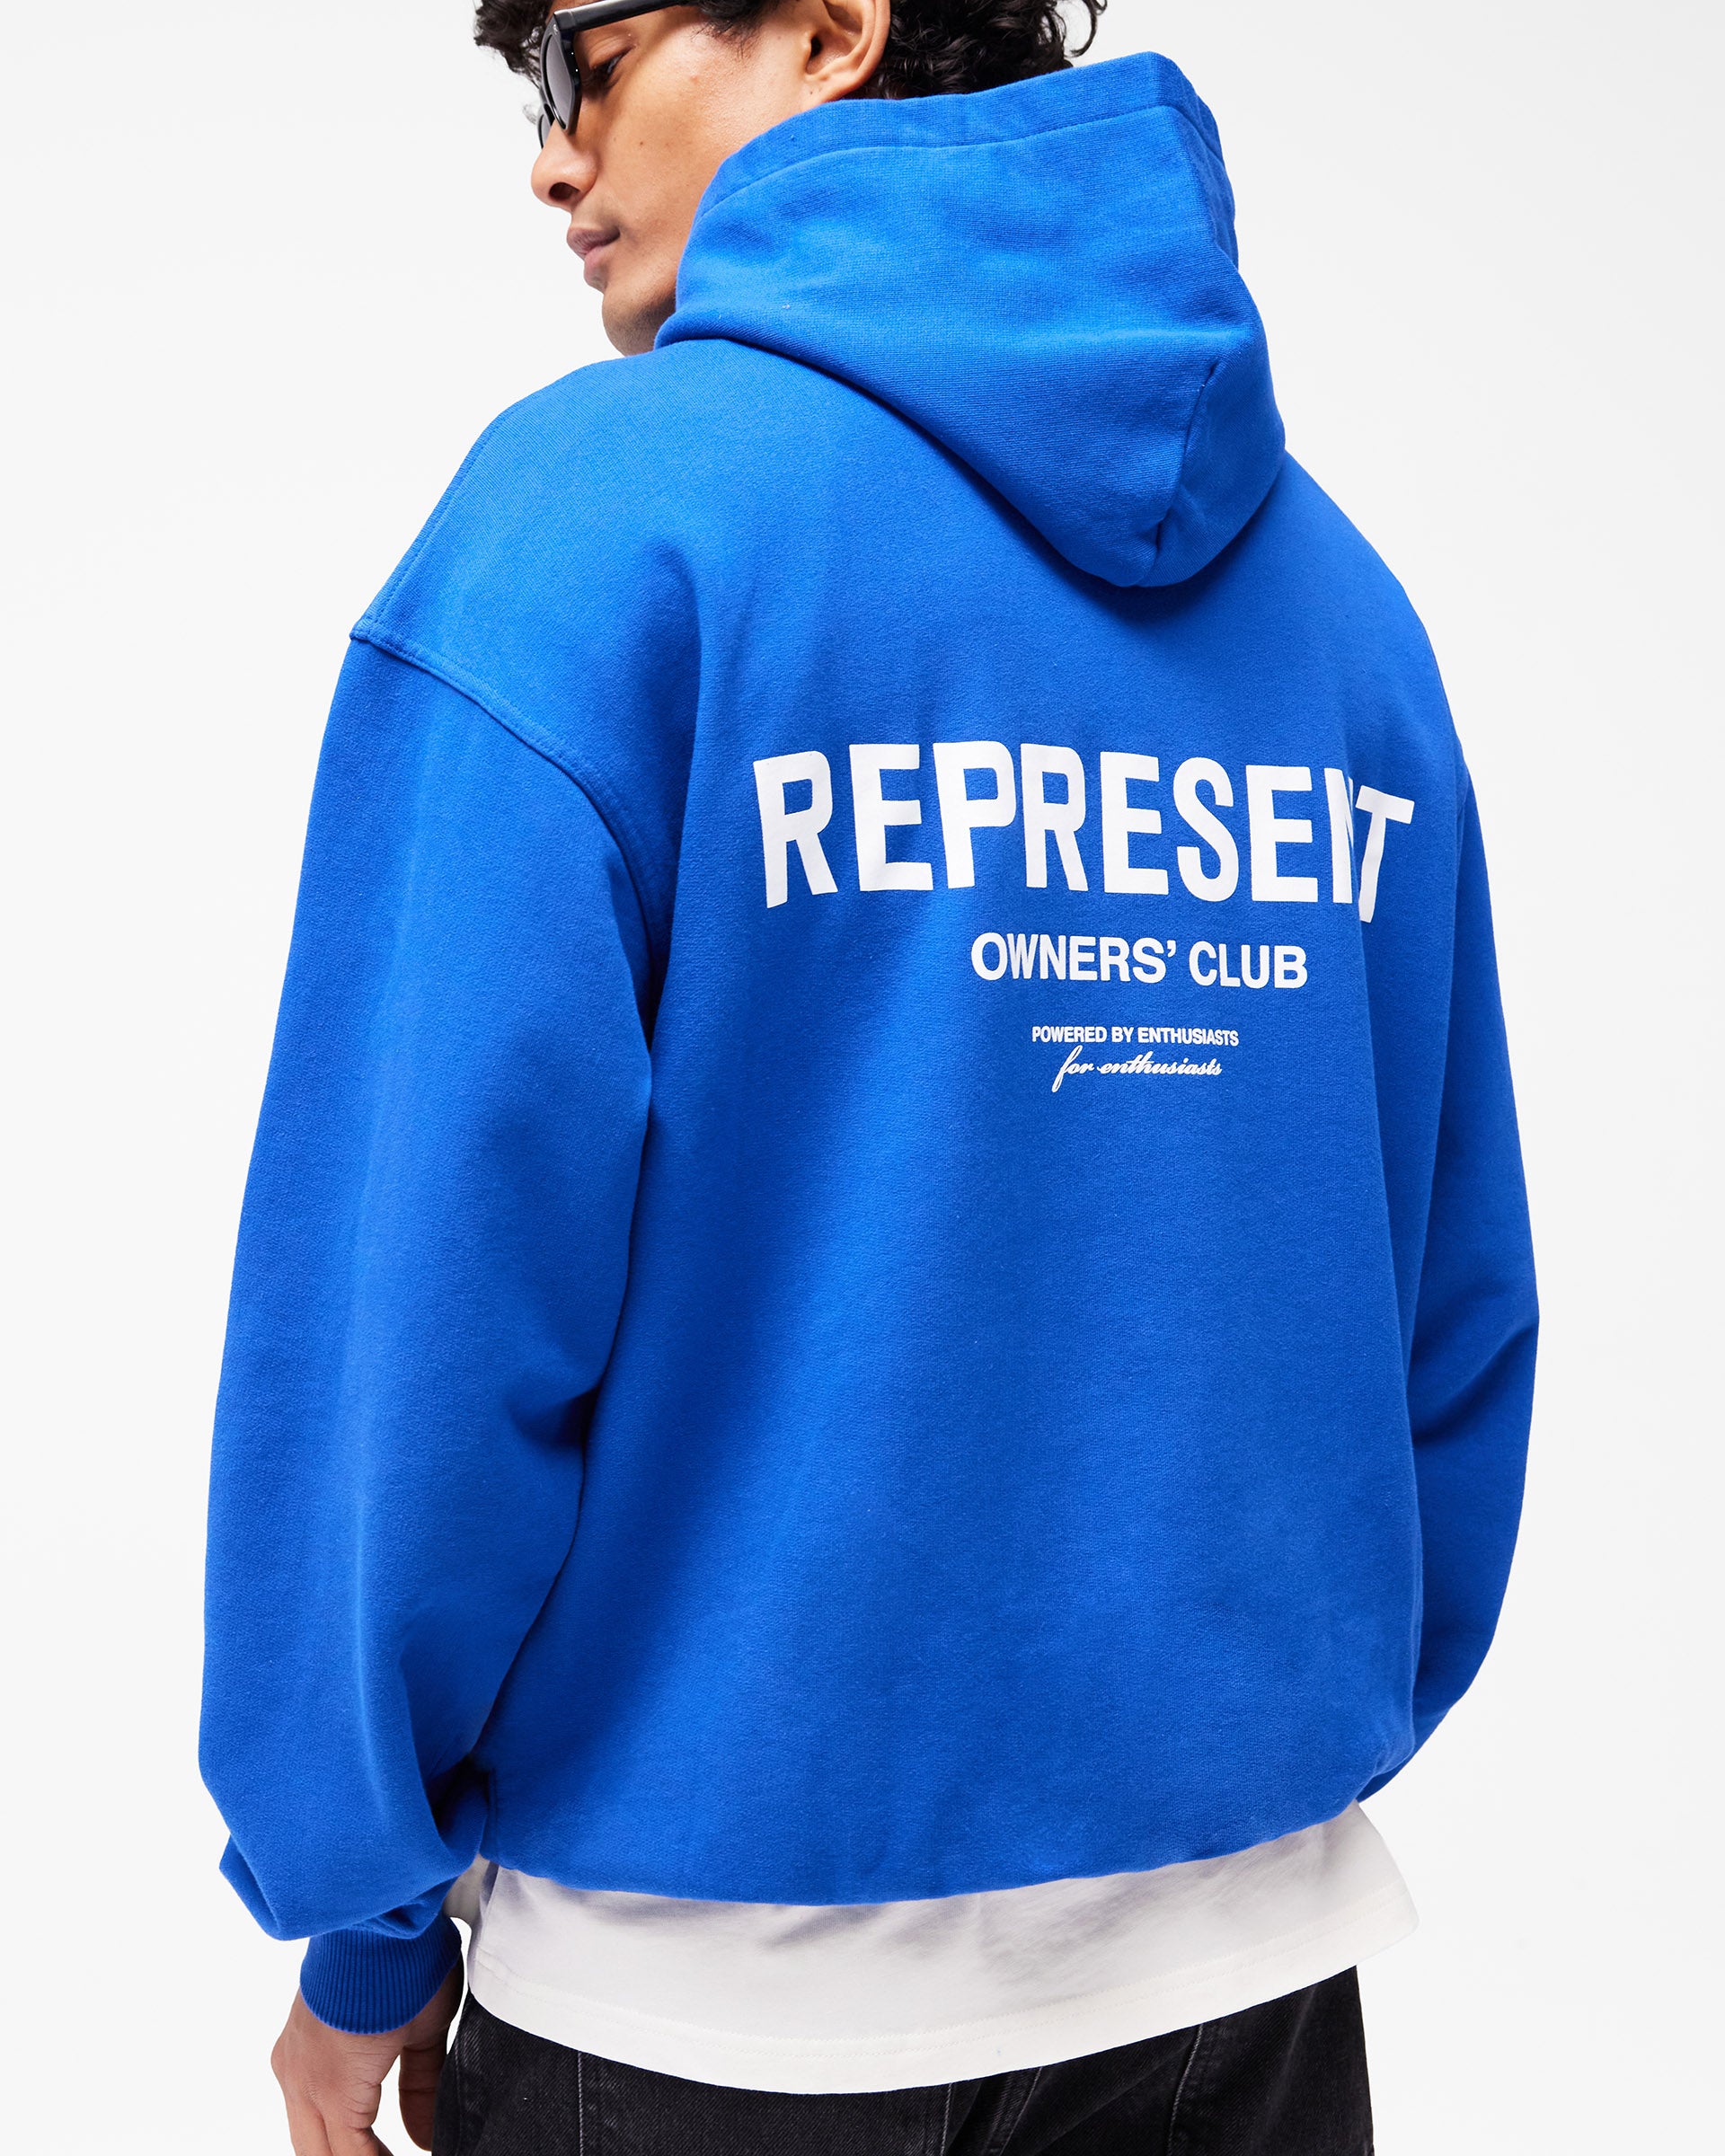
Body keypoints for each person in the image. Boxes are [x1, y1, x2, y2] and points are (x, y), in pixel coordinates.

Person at [199, 0, 1539, 2148]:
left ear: (831, 28)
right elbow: (1449, 1306)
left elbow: (418, 1317)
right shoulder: (1343, 610)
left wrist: (361, 1924)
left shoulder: (593, 526)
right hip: (1250, 1977)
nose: (549, 157)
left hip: (706, 2008)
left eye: (577, 59)